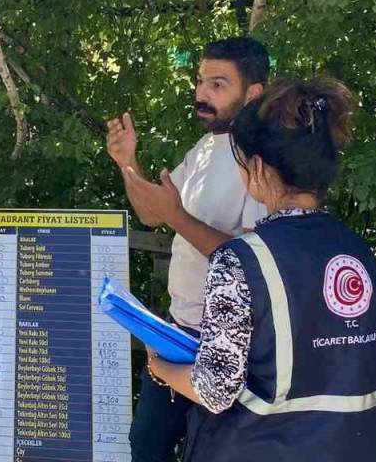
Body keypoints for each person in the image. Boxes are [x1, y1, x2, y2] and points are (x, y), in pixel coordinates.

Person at [147, 78, 376, 462]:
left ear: (258, 168)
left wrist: (160, 366)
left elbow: (215, 390)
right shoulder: (358, 253)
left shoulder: (240, 260)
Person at [105, 37, 271, 462]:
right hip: (177, 331)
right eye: (200, 82)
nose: (201, 94)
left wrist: (176, 216)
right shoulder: (203, 150)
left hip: (231, 344)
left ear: (255, 92)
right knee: (147, 447)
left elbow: (257, 264)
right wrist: (127, 161)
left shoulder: (263, 159)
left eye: (218, 84)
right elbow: (151, 213)